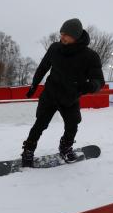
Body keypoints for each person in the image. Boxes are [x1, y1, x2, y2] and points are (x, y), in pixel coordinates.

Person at [21, 18, 105, 167]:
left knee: (72, 124)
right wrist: (34, 85)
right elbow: (43, 67)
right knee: (40, 123)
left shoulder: (90, 56)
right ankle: (28, 150)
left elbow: (99, 80)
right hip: (50, 93)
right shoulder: (55, 48)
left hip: (70, 97)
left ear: (77, 36)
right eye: (61, 33)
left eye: (66, 34)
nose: (62, 37)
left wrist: (91, 86)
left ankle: (65, 147)